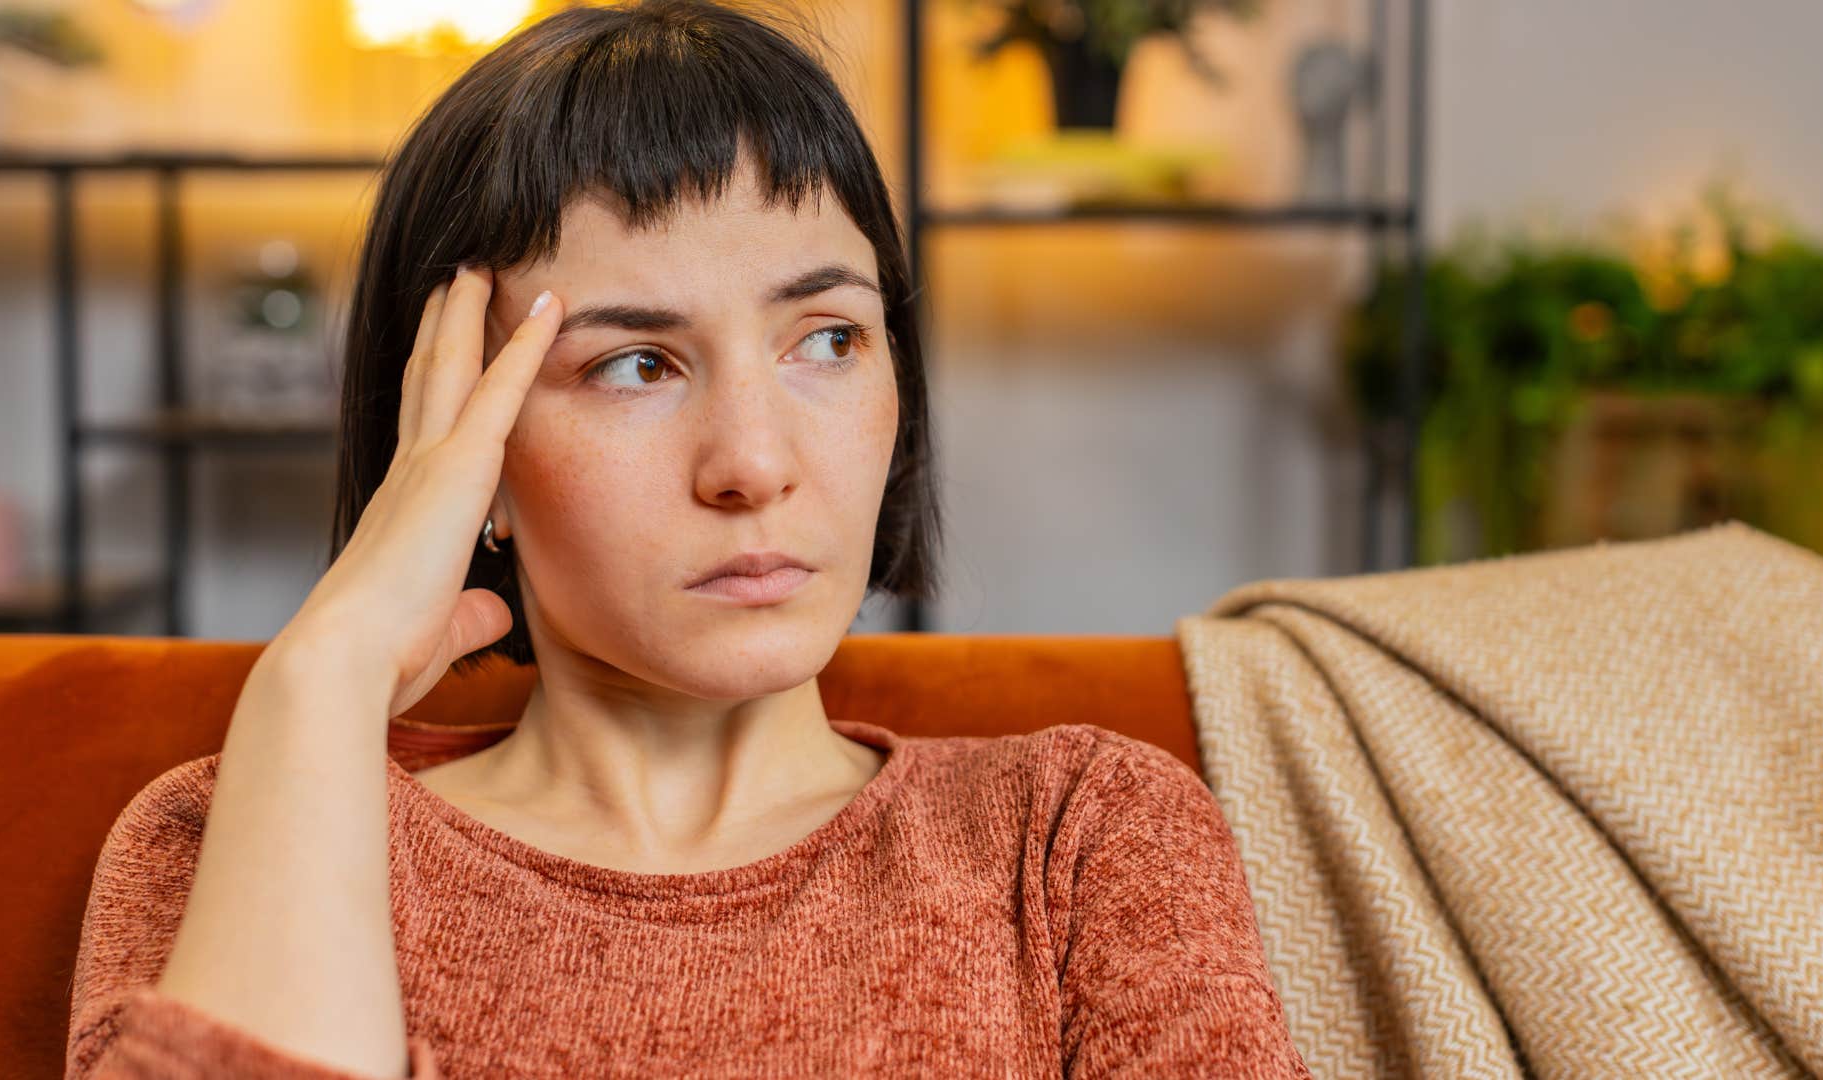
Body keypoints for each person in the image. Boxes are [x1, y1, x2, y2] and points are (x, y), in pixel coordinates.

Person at [64, 2, 1312, 1076]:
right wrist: (324, 676)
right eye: (637, 364)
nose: (756, 465)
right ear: (460, 440)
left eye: (827, 339)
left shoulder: (1077, 837)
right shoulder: (235, 826)